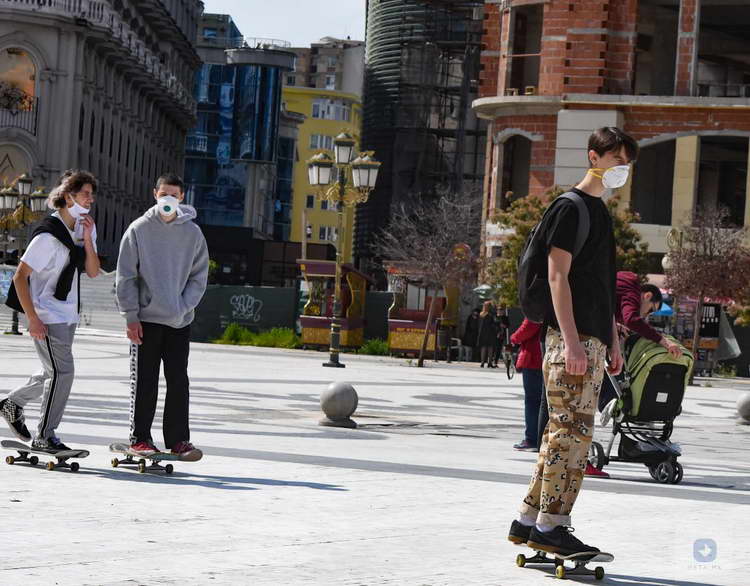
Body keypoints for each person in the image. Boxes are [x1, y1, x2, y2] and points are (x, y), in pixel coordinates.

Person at [508, 127, 635, 556]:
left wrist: (614, 341)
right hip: (571, 341)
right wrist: (573, 342)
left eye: (626, 161)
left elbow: (599, 287)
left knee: (559, 433)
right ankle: (552, 526)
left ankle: (529, 520)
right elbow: (556, 276)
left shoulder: (598, 212)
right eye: (616, 158)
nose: (622, 168)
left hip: (592, 338)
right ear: (593, 157)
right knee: (574, 436)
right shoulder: (570, 208)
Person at [0, 171, 100, 450]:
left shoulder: (84, 228)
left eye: (92, 194)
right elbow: (20, 276)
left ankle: (12, 403)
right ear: (69, 197)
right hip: (45, 315)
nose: (90, 199)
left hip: (68, 315)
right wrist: (32, 318)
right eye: (85, 194)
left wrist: (89, 239)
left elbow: (92, 272)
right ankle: (45, 436)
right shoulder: (48, 235)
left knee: (52, 372)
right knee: (62, 373)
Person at [115, 173, 208, 460]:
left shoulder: (192, 234)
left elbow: (199, 276)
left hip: (179, 321)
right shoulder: (139, 229)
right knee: (145, 380)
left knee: (178, 380)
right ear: (155, 194)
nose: (168, 199)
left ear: (182, 198)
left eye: (174, 195)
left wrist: (183, 307)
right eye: (163, 193)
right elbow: (126, 276)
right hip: (145, 320)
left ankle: (179, 440)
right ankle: (140, 438)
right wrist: (131, 316)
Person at [511, 318, 543, 452]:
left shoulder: (538, 301)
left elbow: (529, 326)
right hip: (547, 356)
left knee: (532, 400)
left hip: (534, 358)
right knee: (544, 400)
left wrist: (514, 338)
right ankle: (542, 438)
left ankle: (532, 438)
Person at [476, 300, 498, 368]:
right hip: (490, 333)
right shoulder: (491, 314)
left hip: (483, 333)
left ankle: (482, 362)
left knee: (484, 348)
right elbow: (494, 323)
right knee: (489, 348)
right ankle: (489, 363)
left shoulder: (481, 314)